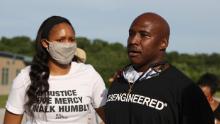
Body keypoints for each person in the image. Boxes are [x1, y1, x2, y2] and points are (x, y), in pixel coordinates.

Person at [104, 12, 214, 124]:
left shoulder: (185, 90)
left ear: (163, 43)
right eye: (131, 34)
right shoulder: (119, 80)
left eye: (144, 35)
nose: (133, 41)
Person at [4, 16, 107, 124]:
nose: (67, 45)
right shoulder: (25, 77)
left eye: (71, 39)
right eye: (61, 40)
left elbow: (112, 118)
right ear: (45, 43)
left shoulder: (89, 74)